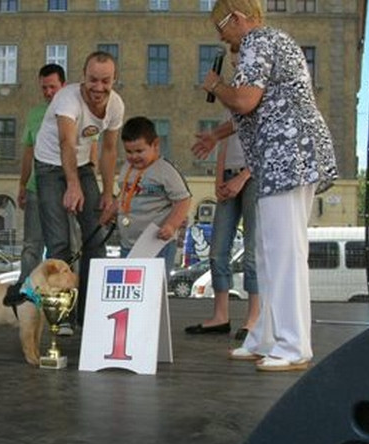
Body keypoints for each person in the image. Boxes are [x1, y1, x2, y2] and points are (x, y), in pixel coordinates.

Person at [194, 0, 338, 372]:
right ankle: (265, 338)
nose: (221, 36)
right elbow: (264, 105)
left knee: (284, 252)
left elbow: (245, 100)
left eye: (221, 26)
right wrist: (216, 135)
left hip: (287, 154)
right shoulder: (273, 41)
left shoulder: (258, 41)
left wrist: (217, 85)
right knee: (269, 249)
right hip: (286, 154)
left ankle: (293, 346)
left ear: (238, 18)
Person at [34, 51, 124, 332]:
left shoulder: (116, 105)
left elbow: (109, 150)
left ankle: (91, 314)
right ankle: (62, 317)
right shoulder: (67, 99)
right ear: (83, 77)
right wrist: (72, 186)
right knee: (60, 243)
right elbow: (66, 143)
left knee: (95, 239)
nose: (98, 87)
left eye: (105, 81)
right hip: (49, 165)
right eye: (93, 80)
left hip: (84, 165)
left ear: (114, 79)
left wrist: (108, 193)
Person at [186, 112, 258, 339]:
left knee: (252, 252)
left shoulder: (264, 102)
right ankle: (220, 316)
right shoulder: (232, 109)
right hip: (229, 175)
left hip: (254, 177)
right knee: (217, 251)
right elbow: (224, 146)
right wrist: (219, 181)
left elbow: (268, 148)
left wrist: (243, 177)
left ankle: (254, 318)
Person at [102, 116, 191, 271]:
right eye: (129, 151)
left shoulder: (165, 170)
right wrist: (111, 211)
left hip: (156, 243)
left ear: (155, 145)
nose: (134, 156)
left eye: (139, 151)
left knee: (153, 288)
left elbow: (183, 200)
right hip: (128, 243)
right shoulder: (127, 168)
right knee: (131, 289)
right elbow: (124, 195)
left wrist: (171, 226)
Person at [17, 64, 66, 282]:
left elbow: (90, 151)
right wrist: (22, 184)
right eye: (44, 88)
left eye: (52, 87)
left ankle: (59, 290)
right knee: (31, 244)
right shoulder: (35, 114)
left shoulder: (73, 110)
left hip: (64, 187)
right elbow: (29, 151)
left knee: (62, 242)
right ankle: (26, 291)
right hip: (36, 187)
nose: (48, 92)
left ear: (63, 86)